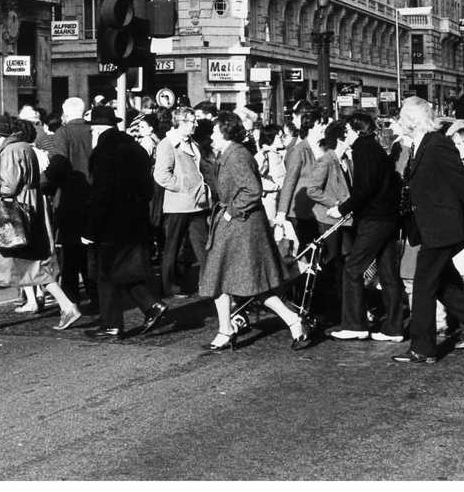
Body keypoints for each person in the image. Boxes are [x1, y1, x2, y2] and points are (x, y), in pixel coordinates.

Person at [199, 112, 311, 351]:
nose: (211, 137)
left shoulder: (237, 155)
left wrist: (231, 213)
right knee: (237, 282)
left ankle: (228, 330)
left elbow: (252, 189)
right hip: (238, 226)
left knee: (233, 281)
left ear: (225, 132)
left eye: (214, 131)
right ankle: (289, 321)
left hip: (240, 226)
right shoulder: (230, 153)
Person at [392, 97, 464, 364]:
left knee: (424, 285)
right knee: (445, 286)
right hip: (434, 227)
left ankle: (422, 349)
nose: (398, 120)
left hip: (445, 227)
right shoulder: (420, 145)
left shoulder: (437, 145)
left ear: (413, 120)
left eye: (402, 116)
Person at [0, 115, 79, 332]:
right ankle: (66, 305)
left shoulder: (10, 151)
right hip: (29, 210)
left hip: (11, 214)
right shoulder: (25, 147)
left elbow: (8, 187)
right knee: (33, 263)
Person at [82, 107, 168, 339]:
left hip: (111, 222)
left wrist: (90, 228)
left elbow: (101, 194)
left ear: (98, 129)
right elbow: (148, 189)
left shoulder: (105, 151)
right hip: (136, 219)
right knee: (123, 270)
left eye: (92, 130)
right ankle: (152, 305)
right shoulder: (136, 148)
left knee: (106, 273)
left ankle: (112, 325)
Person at [326, 111, 403, 342]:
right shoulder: (374, 149)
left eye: (348, 130)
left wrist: (342, 209)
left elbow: (364, 189)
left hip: (374, 219)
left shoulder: (364, 151)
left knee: (352, 268)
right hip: (388, 218)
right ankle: (394, 327)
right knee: (388, 273)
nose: (345, 134)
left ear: (358, 131)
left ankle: (355, 324)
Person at [46, 97, 98, 311]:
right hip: (93, 197)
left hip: (69, 198)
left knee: (69, 254)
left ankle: (71, 299)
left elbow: (59, 163)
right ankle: (96, 296)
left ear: (65, 114)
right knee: (90, 251)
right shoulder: (93, 131)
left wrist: (45, 186)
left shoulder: (63, 132)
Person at [153, 106, 210, 298]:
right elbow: (161, 175)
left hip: (198, 204)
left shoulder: (192, 143)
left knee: (204, 246)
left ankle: (208, 283)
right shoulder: (167, 144)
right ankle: (168, 286)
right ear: (181, 122)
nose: (195, 124)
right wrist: (183, 186)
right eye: (192, 121)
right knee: (172, 246)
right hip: (179, 204)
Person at [304, 119, 353, 321]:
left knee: (344, 261)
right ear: (341, 138)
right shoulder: (326, 160)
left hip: (345, 220)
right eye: (349, 133)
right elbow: (312, 190)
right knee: (330, 263)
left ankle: (342, 306)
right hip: (328, 219)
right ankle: (322, 310)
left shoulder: (347, 160)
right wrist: (335, 204)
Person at [275, 107, 328, 252]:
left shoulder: (325, 149)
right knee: (305, 254)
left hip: (321, 210)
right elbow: (289, 182)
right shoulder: (298, 151)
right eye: (321, 124)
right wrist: (281, 212)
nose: (324, 128)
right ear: (310, 127)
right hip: (301, 211)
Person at [254, 124, 286, 223]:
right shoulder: (263, 156)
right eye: (279, 137)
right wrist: (275, 187)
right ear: (270, 138)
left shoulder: (278, 154)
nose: (282, 140)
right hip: (269, 202)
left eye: (283, 137)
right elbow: (255, 179)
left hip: (279, 200)